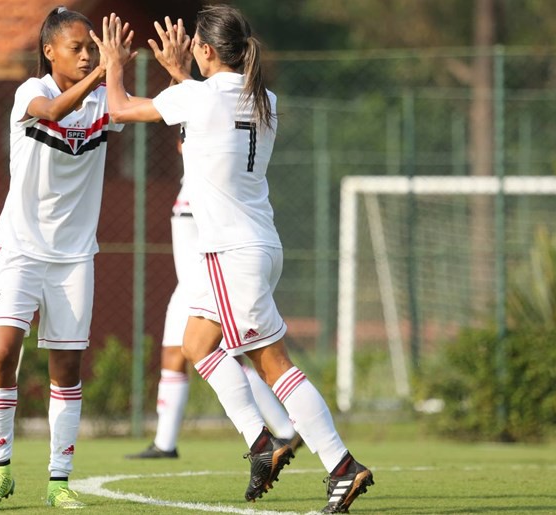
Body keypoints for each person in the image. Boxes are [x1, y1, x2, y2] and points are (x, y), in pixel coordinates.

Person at [93, 6, 374, 513]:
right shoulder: (263, 96)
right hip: (259, 245)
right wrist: (184, 75)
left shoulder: (196, 97)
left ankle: (341, 464)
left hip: (230, 253)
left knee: (275, 367)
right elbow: (205, 129)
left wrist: (114, 61)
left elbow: (117, 108)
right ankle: (262, 443)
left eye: (197, 47)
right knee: (198, 342)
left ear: (204, 50)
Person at [0, 6, 133, 511]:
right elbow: (52, 112)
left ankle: (60, 480)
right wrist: (101, 78)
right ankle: (0, 472)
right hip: (19, 247)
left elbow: (148, 110)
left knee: (67, 367)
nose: (87, 56)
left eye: (92, 48)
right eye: (77, 48)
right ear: (50, 52)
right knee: (2, 352)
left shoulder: (107, 99)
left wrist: (166, 75)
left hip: (73, 257)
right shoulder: (31, 92)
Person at [126, 143, 301, 460]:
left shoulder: (214, 179)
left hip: (208, 282)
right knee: (172, 356)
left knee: (231, 357)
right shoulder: (192, 177)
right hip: (187, 285)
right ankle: (165, 443)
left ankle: (285, 428)